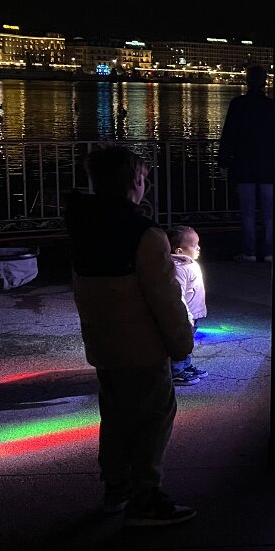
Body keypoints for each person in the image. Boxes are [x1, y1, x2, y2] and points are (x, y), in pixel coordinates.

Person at [66, 145, 198, 526]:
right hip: (141, 347)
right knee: (154, 418)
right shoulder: (146, 236)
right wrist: (181, 342)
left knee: (115, 417)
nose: (145, 185)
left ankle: (116, 489)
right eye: (142, 178)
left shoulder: (82, 226)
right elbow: (164, 298)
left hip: (103, 345)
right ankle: (146, 497)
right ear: (133, 182)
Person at [218, 64, 273, 263]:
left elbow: (228, 135)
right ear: (265, 81)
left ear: (247, 81)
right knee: (270, 214)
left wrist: (223, 161)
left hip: (244, 166)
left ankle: (249, 252)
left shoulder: (238, 104)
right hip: (269, 168)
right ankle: (269, 252)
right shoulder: (272, 106)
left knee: (247, 212)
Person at [168, 224, 209, 386]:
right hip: (185, 316)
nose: (198, 248)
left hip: (193, 313)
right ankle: (176, 371)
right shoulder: (179, 269)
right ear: (179, 251)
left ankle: (185, 366)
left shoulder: (190, 264)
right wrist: (187, 316)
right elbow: (178, 295)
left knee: (187, 342)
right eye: (194, 245)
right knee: (181, 342)